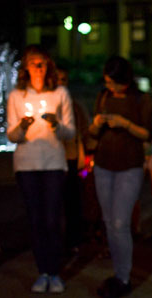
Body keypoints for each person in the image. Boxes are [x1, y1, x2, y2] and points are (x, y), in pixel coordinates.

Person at [6, 45, 75, 293]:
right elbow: (12, 136)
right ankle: (42, 271)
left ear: (48, 66)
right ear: (25, 67)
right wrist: (23, 126)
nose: (38, 67)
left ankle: (55, 271)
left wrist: (56, 125)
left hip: (53, 164)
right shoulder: (17, 96)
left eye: (42, 62)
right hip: (26, 165)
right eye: (33, 62)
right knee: (35, 219)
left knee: (51, 218)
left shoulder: (60, 94)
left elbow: (71, 132)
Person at [88, 56, 152, 298]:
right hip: (103, 164)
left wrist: (125, 124)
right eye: (107, 82)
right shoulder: (103, 96)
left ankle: (123, 277)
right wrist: (96, 124)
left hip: (129, 166)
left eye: (115, 83)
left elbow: (148, 133)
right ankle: (117, 273)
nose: (111, 87)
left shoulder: (140, 99)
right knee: (108, 221)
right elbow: (93, 134)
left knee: (119, 223)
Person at [56, 65, 90, 257]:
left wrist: (83, 159)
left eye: (64, 80)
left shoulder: (75, 105)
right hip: (52, 159)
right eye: (58, 79)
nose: (61, 83)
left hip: (70, 157)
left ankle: (73, 240)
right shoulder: (48, 103)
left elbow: (82, 133)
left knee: (72, 202)